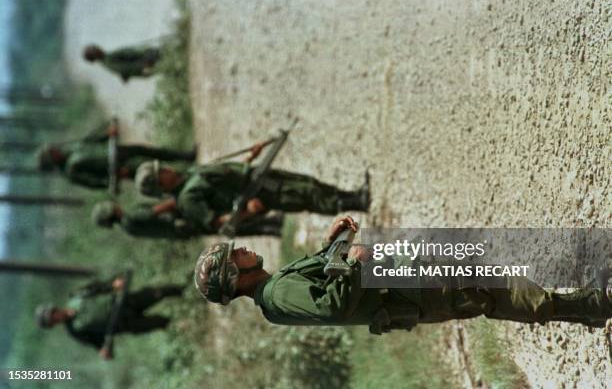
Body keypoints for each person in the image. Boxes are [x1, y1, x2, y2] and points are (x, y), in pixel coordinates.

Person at [194, 216, 612, 333]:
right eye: (237, 257)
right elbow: (333, 306)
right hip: (408, 293)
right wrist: (357, 262)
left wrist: (332, 243)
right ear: (235, 278)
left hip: (400, 282)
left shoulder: (274, 285)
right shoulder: (277, 295)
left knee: (485, 271)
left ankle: (588, 304)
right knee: (491, 290)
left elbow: (327, 277)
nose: (245, 250)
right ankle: (596, 303)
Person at [133, 143, 369, 233]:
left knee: (308, 184)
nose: (166, 168)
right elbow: (218, 222)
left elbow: (223, 176)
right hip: (255, 194)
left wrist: (248, 158)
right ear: (160, 184)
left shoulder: (189, 175)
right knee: (306, 197)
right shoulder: (187, 200)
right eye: (160, 172)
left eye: (161, 167)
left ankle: (355, 194)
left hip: (255, 175)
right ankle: (357, 203)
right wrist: (249, 212)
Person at [35, 274, 184, 359]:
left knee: (160, 292)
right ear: (54, 325)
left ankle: (190, 289)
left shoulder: (77, 296)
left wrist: (113, 284)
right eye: (52, 321)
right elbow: (98, 344)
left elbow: (99, 287)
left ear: (54, 309)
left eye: (52, 315)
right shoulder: (75, 331)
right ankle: (189, 324)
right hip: (126, 324)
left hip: (126, 302)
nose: (55, 318)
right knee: (160, 322)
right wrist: (104, 351)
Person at [37, 121, 196, 189]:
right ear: (53, 161)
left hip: (117, 150)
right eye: (52, 153)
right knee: (153, 173)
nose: (55, 149)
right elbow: (94, 183)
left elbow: (89, 141)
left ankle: (186, 157)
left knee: (153, 152)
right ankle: (187, 178)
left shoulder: (68, 150)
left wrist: (107, 133)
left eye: (52, 149)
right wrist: (116, 177)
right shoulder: (71, 172)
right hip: (119, 168)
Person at [91, 200, 285, 238]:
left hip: (182, 230)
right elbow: (155, 211)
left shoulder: (128, 229)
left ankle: (268, 230)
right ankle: (270, 222)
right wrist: (176, 201)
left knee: (225, 228)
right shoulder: (130, 217)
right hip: (182, 219)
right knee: (225, 220)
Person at [82, 44, 160, 82]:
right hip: (149, 63)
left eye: (95, 47)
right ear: (94, 57)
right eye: (94, 50)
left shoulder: (107, 58)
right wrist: (145, 65)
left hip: (147, 60)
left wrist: (125, 76)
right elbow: (125, 69)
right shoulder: (108, 62)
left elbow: (124, 69)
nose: (97, 48)